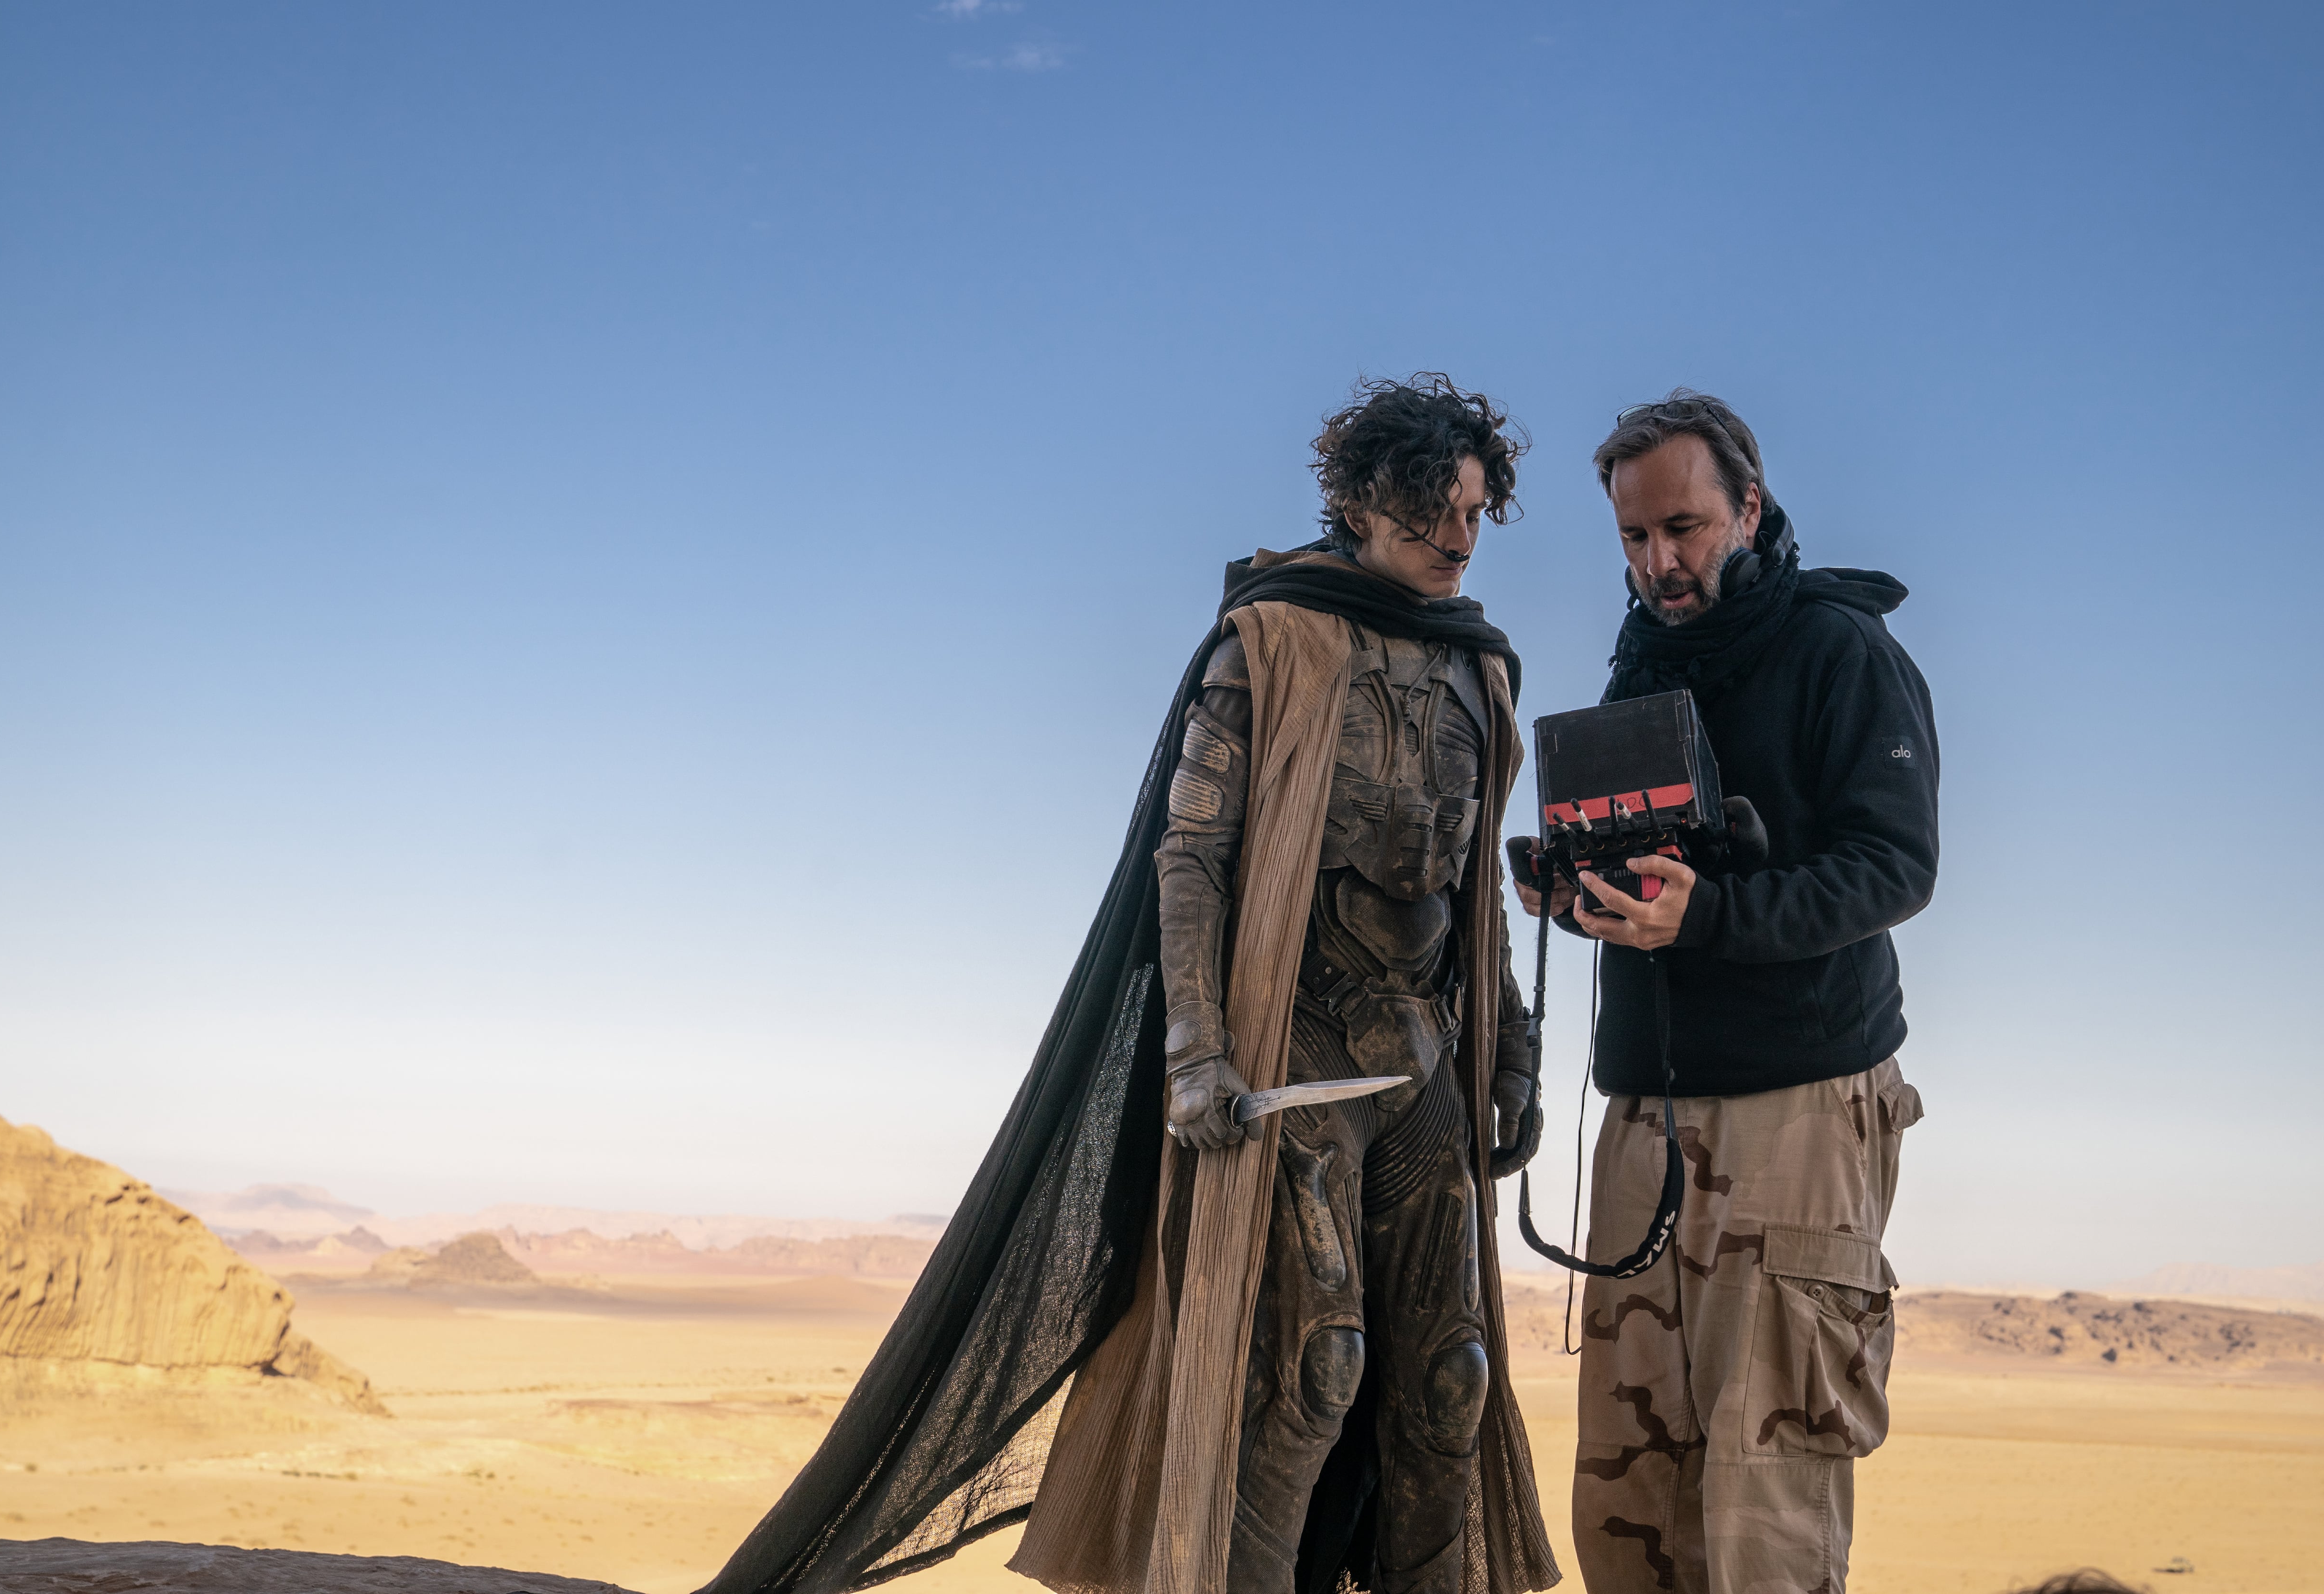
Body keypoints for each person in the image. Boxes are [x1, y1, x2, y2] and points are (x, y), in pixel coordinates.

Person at [708, 377, 1561, 1594]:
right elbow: (1194, 855)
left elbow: (1475, 891)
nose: (1462, 538)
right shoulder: (1271, 637)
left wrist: (1513, 1046)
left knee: (1449, 1382)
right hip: (1296, 1049)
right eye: (1437, 510)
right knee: (1308, 1372)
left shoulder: (1482, 668)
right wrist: (1197, 1051)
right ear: (1364, 501)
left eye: (1477, 512)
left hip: (1427, 1050)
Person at [1516, 391, 1937, 1594]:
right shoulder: (1640, 658)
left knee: (1767, 1512)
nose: (1660, 562)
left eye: (1686, 529)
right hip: (1646, 1113)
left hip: (1797, 1112)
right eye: (1634, 539)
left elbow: (1895, 865)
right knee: (1630, 1499)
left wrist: (1710, 915)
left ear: (1748, 505)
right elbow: (1661, 850)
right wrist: (1577, 886)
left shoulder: (1839, 648)